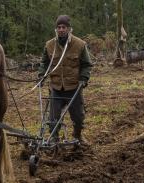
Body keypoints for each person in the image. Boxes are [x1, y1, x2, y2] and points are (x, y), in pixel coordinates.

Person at [38, 15, 92, 145]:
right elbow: (44, 63)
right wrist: (41, 75)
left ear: (69, 29)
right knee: (53, 118)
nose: (61, 29)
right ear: (56, 29)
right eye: (59, 27)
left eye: (64, 27)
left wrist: (83, 79)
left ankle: (78, 136)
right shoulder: (49, 45)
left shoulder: (79, 44)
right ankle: (53, 138)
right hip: (56, 87)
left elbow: (86, 64)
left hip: (73, 87)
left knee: (78, 117)